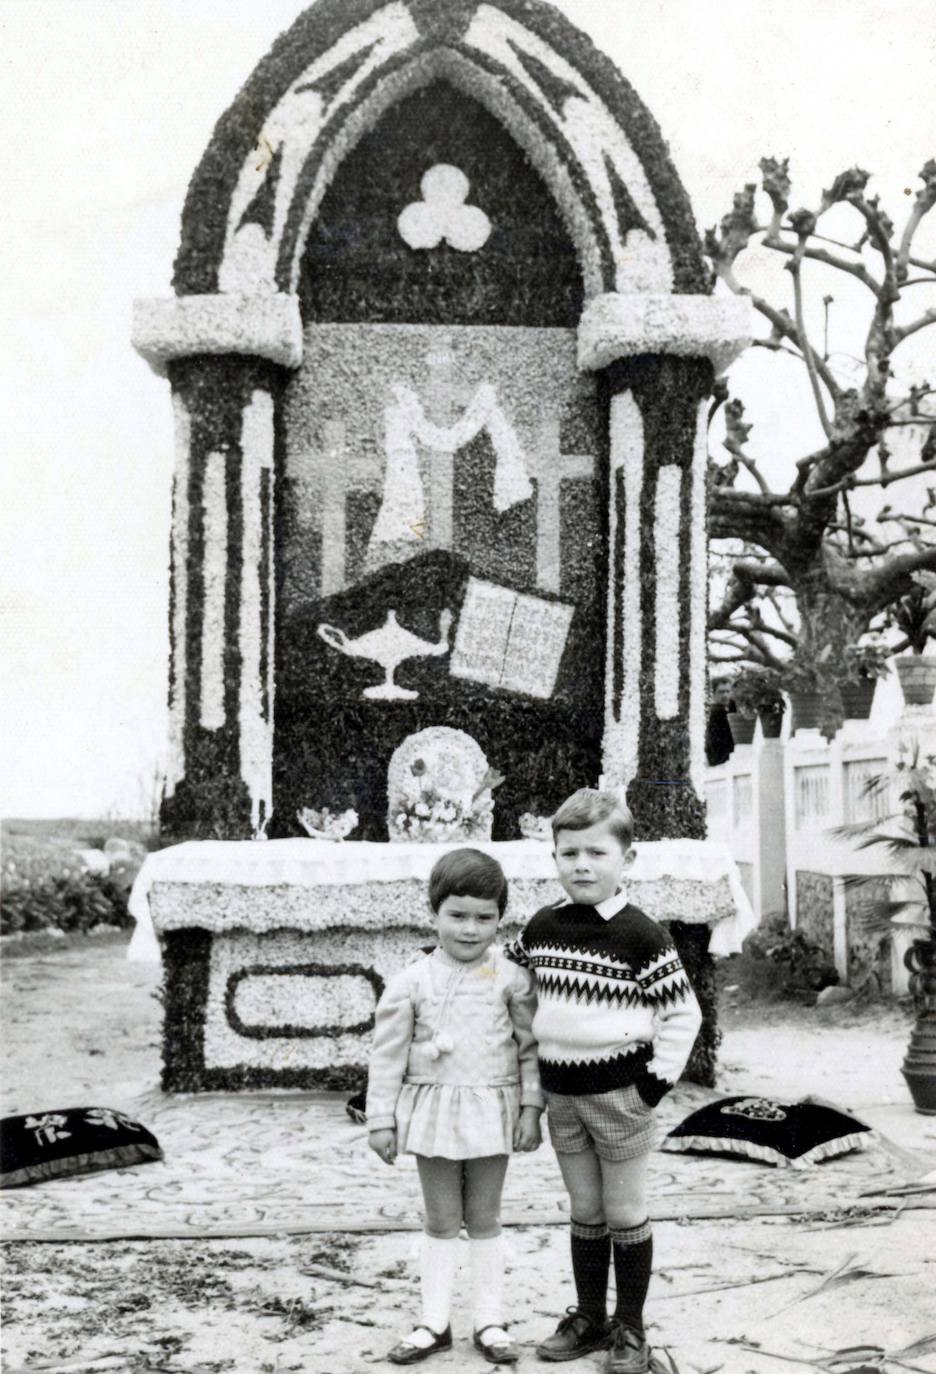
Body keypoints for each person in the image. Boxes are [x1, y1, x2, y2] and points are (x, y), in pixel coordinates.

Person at [505, 789, 702, 1373]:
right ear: (555, 859)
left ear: (627, 860)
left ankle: (631, 1328)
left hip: (621, 1096)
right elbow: (514, 983)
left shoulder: (642, 935)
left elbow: (682, 1014)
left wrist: (652, 1088)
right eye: (569, 854)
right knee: (585, 1207)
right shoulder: (543, 925)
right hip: (563, 1095)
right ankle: (590, 1317)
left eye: (596, 853)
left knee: (623, 1209)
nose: (582, 865)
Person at [366, 848, 544, 1366]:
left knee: (485, 1217)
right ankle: (434, 1322)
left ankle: (489, 1320)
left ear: (500, 919)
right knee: (442, 1219)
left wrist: (532, 1109)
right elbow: (387, 1056)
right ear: (433, 914)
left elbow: (531, 1049)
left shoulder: (511, 979)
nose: (470, 929)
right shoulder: (410, 982)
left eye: (484, 918)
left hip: (492, 1111)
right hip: (434, 1115)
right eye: (457, 915)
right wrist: (381, 1119)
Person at [705, 676, 735, 766]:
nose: (725, 695)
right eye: (721, 692)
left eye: (728, 691)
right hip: (720, 760)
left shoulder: (730, 710)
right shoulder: (715, 713)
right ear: (713, 694)